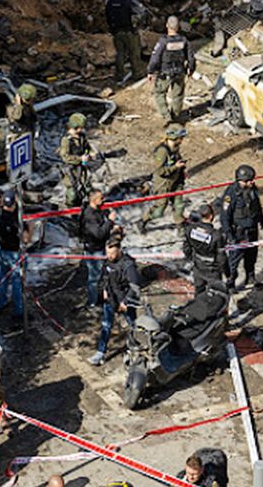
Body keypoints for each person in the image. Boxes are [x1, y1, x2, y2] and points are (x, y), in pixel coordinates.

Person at [88, 238, 143, 366]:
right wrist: (104, 291)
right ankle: (100, 352)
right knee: (106, 326)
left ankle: (133, 350)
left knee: (132, 326)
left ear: (119, 250)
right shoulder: (108, 262)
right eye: (107, 253)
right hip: (110, 299)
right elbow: (103, 278)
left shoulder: (128, 265)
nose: (109, 256)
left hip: (124, 301)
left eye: (112, 254)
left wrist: (125, 302)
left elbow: (135, 286)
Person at [221, 165, 263, 291]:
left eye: (252, 180)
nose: (252, 182)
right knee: (234, 260)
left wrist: (261, 220)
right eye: (248, 180)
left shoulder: (252, 189)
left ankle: (250, 277)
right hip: (238, 233)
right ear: (240, 180)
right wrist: (230, 236)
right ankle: (231, 283)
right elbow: (225, 217)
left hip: (252, 230)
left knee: (251, 256)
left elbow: (256, 205)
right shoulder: (231, 194)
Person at [137, 123, 188, 235]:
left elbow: (176, 160)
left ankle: (180, 226)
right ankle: (143, 221)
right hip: (163, 185)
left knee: (178, 206)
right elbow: (159, 171)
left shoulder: (175, 147)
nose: (182, 140)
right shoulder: (162, 151)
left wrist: (182, 169)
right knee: (159, 211)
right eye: (181, 138)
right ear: (175, 137)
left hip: (176, 182)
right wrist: (175, 167)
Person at [147, 15, 195, 123]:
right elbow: (191, 57)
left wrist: (150, 71)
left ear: (167, 26)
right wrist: (191, 70)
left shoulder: (163, 41)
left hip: (165, 73)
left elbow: (155, 58)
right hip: (179, 72)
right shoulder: (184, 40)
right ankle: (176, 115)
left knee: (159, 93)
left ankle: (167, 116)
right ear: (178, 27)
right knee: (178, 95)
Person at [79, 189, 122, 308]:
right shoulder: (89, 215)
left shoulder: (97, 211)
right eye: (101, 198)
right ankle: (93, 301)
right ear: (94, 200)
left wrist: (112, 226)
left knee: (102, 274)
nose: (103, 200)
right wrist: (110, 221)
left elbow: (102, 228)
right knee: (94, 277)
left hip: (99, 247)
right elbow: (98, 234)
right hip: (94, 250)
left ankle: (103, 295)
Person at [58, 112, 103, 207]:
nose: (82, 129)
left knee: (85, 187)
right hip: (71, 170)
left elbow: (86, 146)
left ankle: (87, 205)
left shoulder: (81, 136)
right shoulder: (66, 140)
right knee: (72, 193)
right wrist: (80, 158)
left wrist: (90, 152)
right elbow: (65, 157)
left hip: (81, 168)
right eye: (80, 127)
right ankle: (71, 208)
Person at [0, 189, 25, 330]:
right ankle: (18, 312)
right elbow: (24, 238)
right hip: (14, 252)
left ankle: (1, 303)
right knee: (17, 282)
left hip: (2, 250)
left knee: (2, 278)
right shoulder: (13, 221)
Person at [183, 204, 230, 294]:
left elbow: (186, 248)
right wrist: (228, 274)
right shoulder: (216, 236)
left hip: (198, 267)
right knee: (216, 295)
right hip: (212, 270)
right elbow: (222, 258)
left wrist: (192, 259)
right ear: (211, 216)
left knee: (199, 292)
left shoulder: (190, 229)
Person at [105, 0, 146, 83]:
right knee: (134, 53)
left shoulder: (110, 2)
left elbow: (108, 17)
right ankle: (137, 73)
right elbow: (140, 13)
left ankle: (119, 75)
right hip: (129, 31)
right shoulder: (128, 1)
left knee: (120, 54)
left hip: (116, 32)